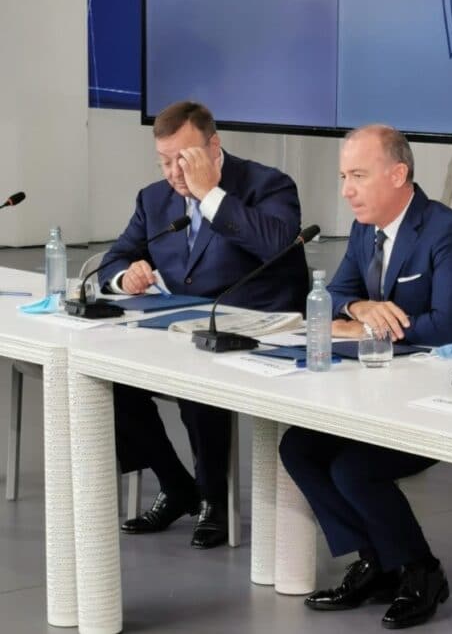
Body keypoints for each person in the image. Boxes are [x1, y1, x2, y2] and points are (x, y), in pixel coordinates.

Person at [279, 124, 452, 629]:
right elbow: (335, 295)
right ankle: (376, 562)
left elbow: (446, 328)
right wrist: (360, 307)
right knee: (299, 448)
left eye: (358, 175)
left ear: (398, 175)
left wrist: (365, 326)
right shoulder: (365, 229)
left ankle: (422, 571)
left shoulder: (447, 232)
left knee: (354, 468)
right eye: (343, 176)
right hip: (390, 386)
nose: (346, 190)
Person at [99, 101, 308, 549]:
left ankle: (215, 498)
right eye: (164, 161)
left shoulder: (266, 184)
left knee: (198, 375)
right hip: (180, 327)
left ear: (214, 147)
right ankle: (176, 485)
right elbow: (116, 257)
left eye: (184, 159)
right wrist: (126, 275)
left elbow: (279, 243)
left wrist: (211, 194)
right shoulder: (154, 198)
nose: (174, 173)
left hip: (259, 330)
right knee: (107, 377)